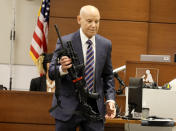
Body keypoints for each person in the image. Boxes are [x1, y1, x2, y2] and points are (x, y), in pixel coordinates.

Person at [49, 5, 116, 131]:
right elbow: (51, 72)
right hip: (68, 109)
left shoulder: (105, 44)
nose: (94, 25)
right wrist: (62, 69)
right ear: (79, 19)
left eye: (97, 21)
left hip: (94, 108)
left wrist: (110, 100)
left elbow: (108, 76)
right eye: (89, 21)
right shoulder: (63, 41)